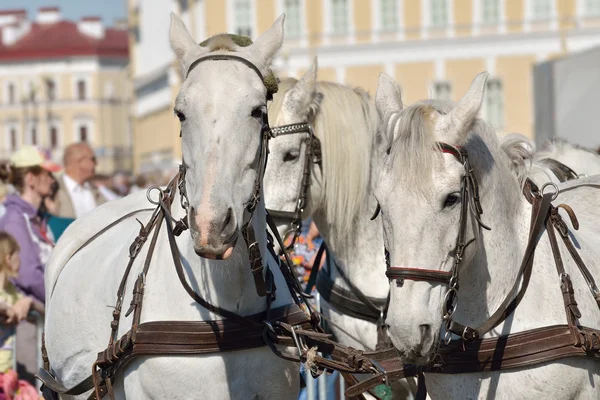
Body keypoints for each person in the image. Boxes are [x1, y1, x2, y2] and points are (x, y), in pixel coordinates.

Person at [0, 145, 58, 383]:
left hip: (39, 321)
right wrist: (63, 299)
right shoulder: (15, 219)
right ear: (32, 179)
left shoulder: (36, 217)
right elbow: (27, 275)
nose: (53, 180)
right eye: (48, 174)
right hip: (25, 329)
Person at [0, 232, 44, 374]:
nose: (20, 259)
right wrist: (5, 309)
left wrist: (30, 302)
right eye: (17, 255)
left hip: (7, 373)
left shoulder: (11, 292)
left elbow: (42, 314)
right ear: (8, 258)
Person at [54, 142, 107, 219]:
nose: (96, 163)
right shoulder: (55, 190)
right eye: (93, 159)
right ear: (79, 161)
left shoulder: (95, 191)